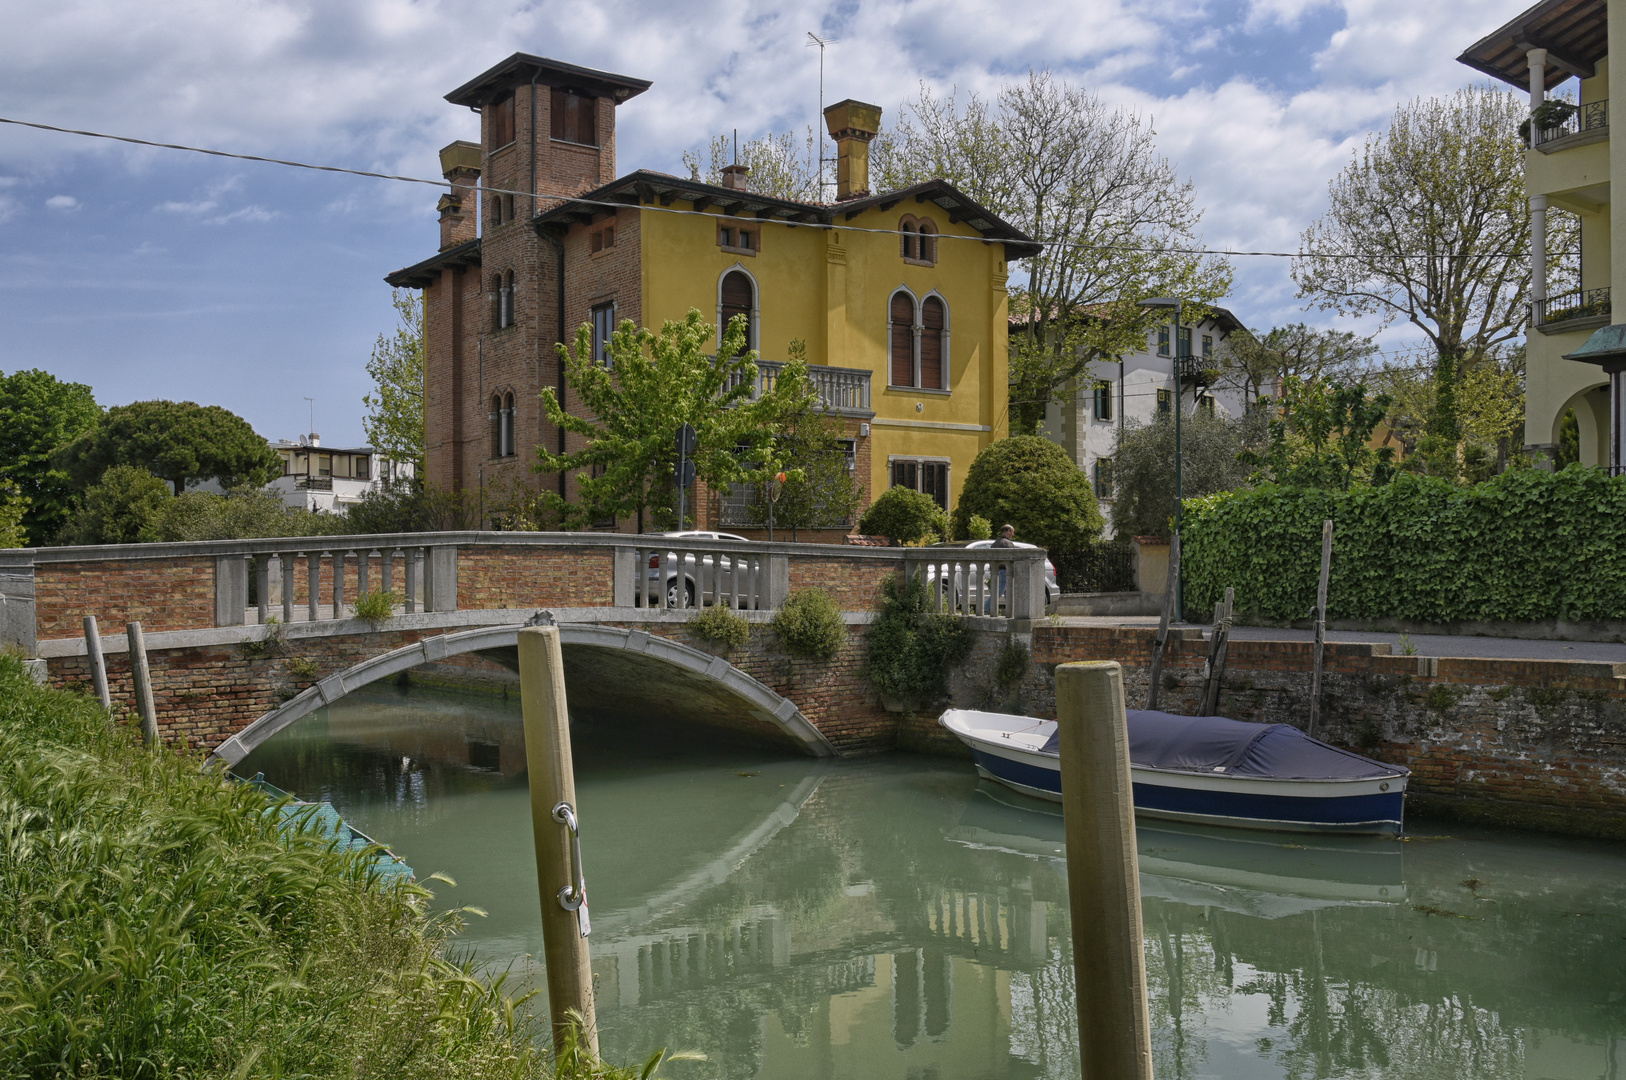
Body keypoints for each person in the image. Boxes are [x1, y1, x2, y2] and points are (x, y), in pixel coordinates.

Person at [988, 524, 1015, 612]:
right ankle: (984, 609)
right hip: (1004, 571)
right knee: (998, 593)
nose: (1013, 534)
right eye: (1012, 532)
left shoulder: (995, 543)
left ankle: (1013, 610)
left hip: (996, 571)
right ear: (1008, 531)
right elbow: (1013, 557)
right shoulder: (1007, 543)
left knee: (1008, 593)